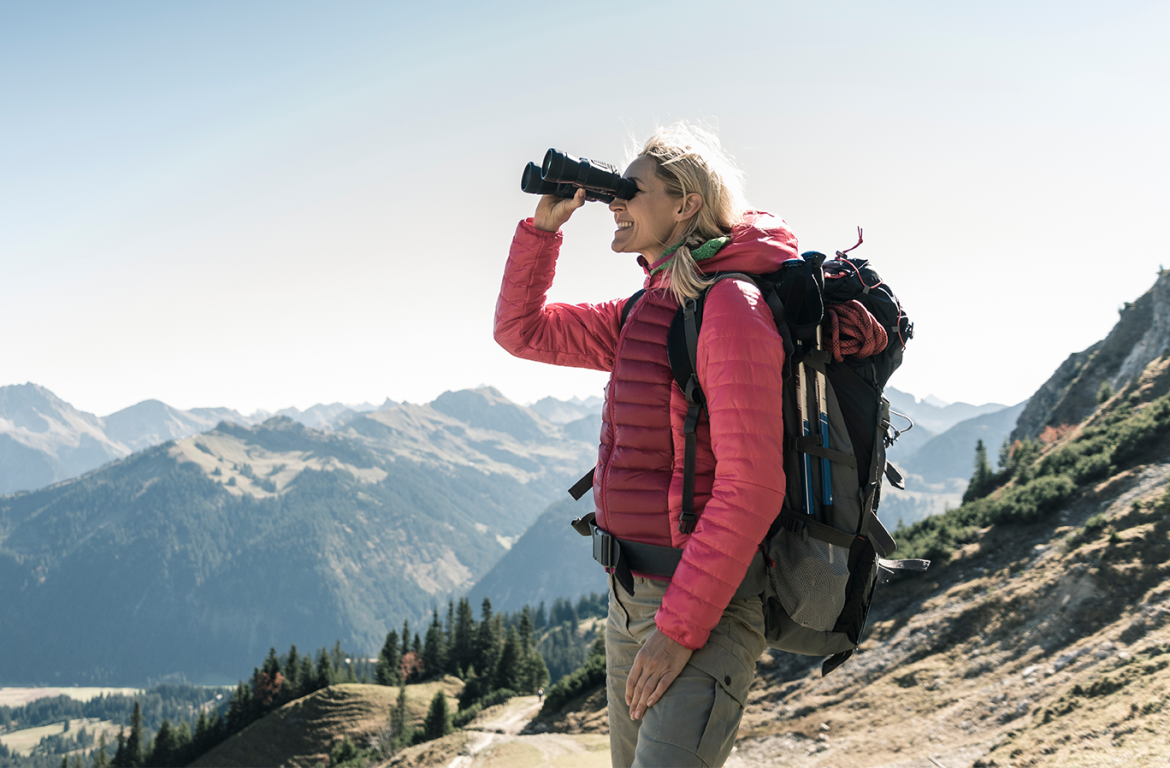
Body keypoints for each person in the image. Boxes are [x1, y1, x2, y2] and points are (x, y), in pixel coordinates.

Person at [494, 124, 797, 768]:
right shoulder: (642, 312)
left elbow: (753, 487)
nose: (615, 203)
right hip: (630, 600)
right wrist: (544, 229)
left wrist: (677, 630)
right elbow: (521, 331)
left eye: (630, 191)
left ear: (686, 204)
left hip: (698, 605)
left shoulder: (730, 309)